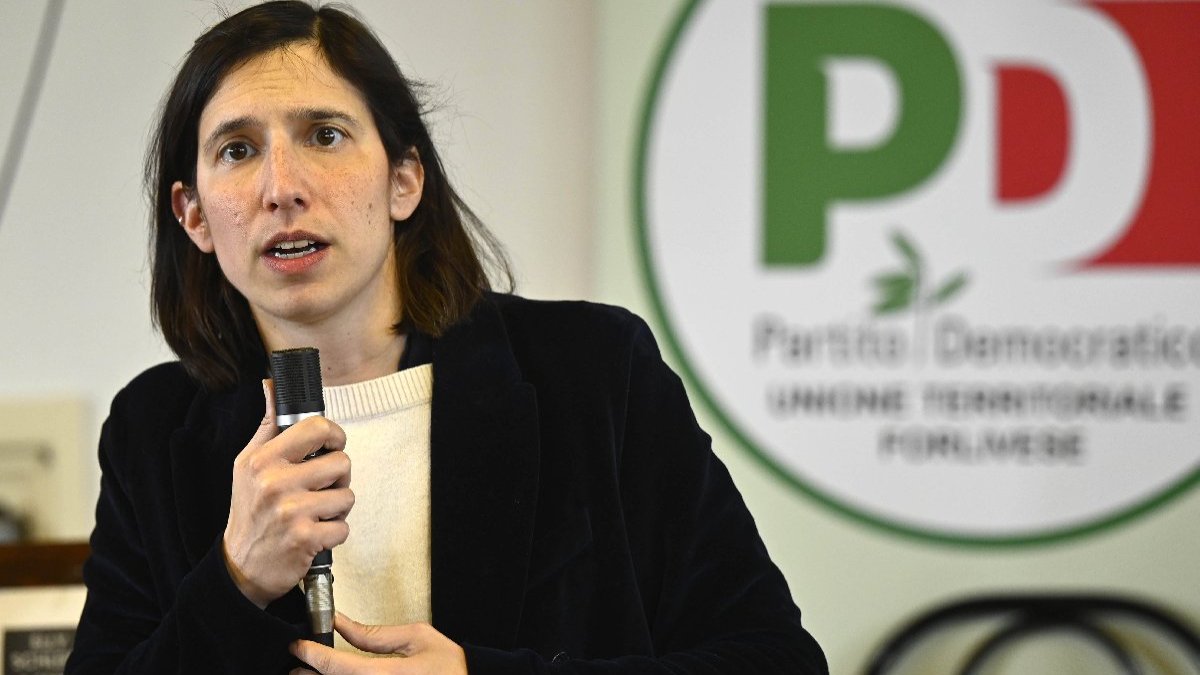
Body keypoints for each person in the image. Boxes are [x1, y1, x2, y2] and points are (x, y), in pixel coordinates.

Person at [65, 2, 828, 674]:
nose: (282, 187)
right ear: (194, 215)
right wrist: (234, 580)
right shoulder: (151, 428)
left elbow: (776, 659)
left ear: (405, 179)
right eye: (238, 149)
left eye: (324, 135)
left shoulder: (593, 371)